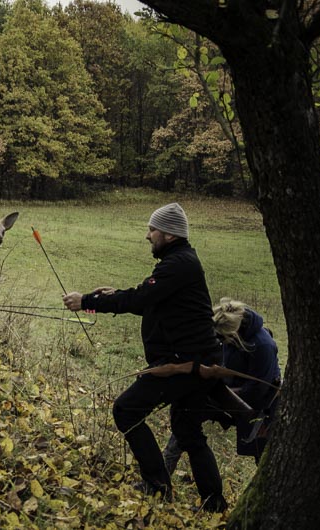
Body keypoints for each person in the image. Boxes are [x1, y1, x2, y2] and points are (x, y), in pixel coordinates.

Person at [63, 203, 228, 512]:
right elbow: (148, 301)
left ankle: (157, 486)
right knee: (189, 433)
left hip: (184, 366)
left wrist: (86, 301)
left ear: (167, 234)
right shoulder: (180, 262)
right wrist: (104, 298)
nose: (147, 235)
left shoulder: (178, 264)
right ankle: (214, 505)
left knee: (126, 410)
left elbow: (142, 297)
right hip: (197, 362)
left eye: (152, 230)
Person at [163, 299, 281, 473]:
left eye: (222, 337)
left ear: (234, 333)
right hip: (225, 392)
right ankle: (161, 476)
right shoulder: (221, 332)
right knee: (185, 417)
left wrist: (218, 394)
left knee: (263, 455)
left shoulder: (263, 346)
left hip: (261, 404)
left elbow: (256, 390)